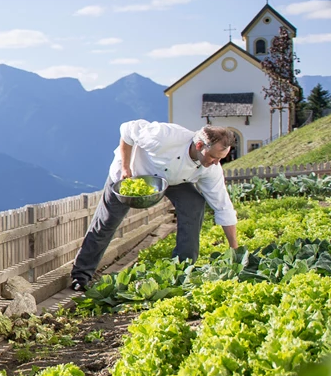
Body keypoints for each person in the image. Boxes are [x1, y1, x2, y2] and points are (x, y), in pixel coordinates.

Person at [69, 121, 239, 292]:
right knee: (107, 220)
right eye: (213, 157)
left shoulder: (210, 168)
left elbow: (222, 206)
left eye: (220, 159)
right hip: (134, 172)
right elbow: (126, 130)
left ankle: (181, 270)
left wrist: (234, 249)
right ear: (200, 145)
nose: (217, 163)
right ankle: (81, 275)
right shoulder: (163, 136)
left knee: (194, 203)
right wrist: (126, 168)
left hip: (174, 181)